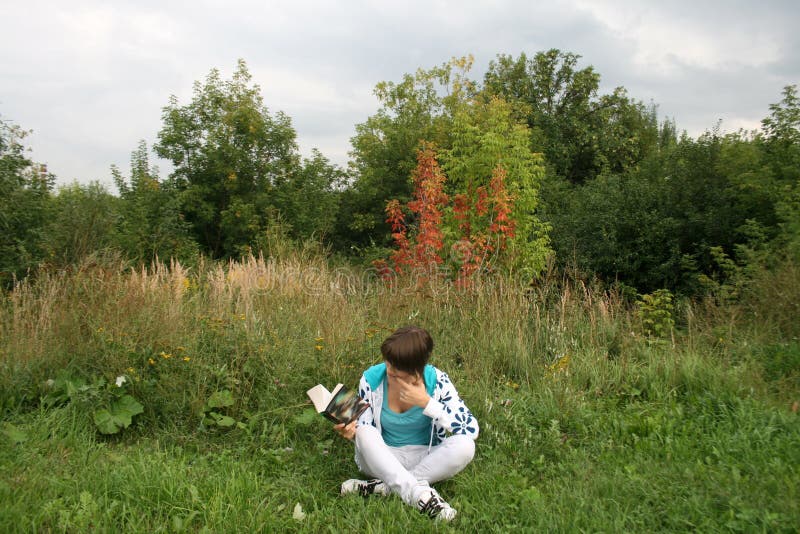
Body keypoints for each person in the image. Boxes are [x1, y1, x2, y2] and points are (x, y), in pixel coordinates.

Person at [334, 326, 478, 522]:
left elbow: (470, 429)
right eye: (388, 363)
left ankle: (385, 487)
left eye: (396, 370)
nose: (389, 371)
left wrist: (427, 403)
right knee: (365, 432)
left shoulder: (437, 381)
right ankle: (421, 497)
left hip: (427, 459)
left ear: (416, 370)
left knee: (466, 445)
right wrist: (352, 433)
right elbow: (365, 431)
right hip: (383, 457)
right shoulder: (371, 379)